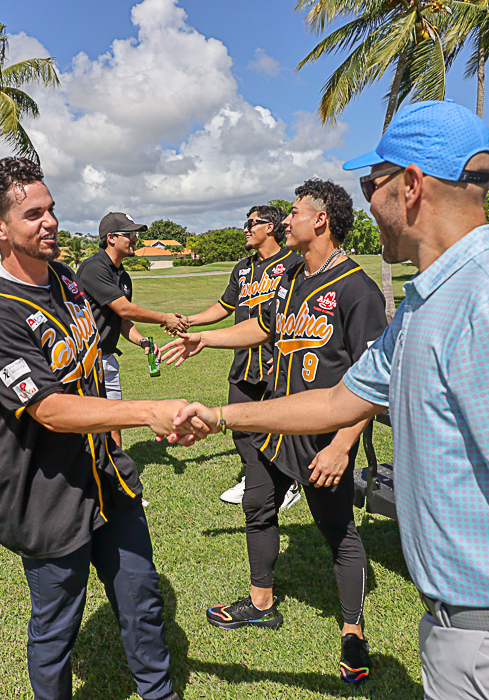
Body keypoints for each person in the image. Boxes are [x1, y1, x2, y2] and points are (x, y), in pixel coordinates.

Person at [172, 100, 489, 700]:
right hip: (468, 629)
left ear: (410, 186)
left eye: (372, 185)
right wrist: (218, 416)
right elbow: (339, 400)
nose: (367, 204)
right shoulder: (427, 302)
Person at [0, 157, 187, 700]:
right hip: (47, 494)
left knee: (142, 599)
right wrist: (146, 411)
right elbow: (49, 409)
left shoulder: (67, 280)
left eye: (51, 209)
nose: (50, 222)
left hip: (108, 475)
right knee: (56, 626)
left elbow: (94, 354)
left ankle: (159, 693)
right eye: (33, 214)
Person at [162, 180, 387, 685]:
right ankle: (261, 603)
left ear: (320, 220)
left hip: (323, 435)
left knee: (338, 531)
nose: (286, 220)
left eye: (294, 212)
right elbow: (264, 327)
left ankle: (353, 630)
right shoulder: (289, 276)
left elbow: (372, 382)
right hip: (275, 424)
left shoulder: (356, 289)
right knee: (257, 506)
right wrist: (205, 339)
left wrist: (341, 446)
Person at [182, 205, 303, 510]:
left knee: (280, 423)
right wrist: (191, 321)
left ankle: (288, 484)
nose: (246, 229)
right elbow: (225, 305)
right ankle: (255, 477)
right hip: (245, 358)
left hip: (277, 358)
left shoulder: (293, 263)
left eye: (251, 223)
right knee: (238, 427)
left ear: (270, 227)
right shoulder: (243, 268)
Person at [76, 212, 189, 447]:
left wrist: (142, 341)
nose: (135, 239)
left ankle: (116, 467)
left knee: (115, 422)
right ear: (111, 238)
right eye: (129, 234)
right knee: (85, 426)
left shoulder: (123, 277)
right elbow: (125, 309)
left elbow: (123, 321)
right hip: (84, 360)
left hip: (107, 358)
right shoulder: (93, 268)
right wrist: (165, 318)